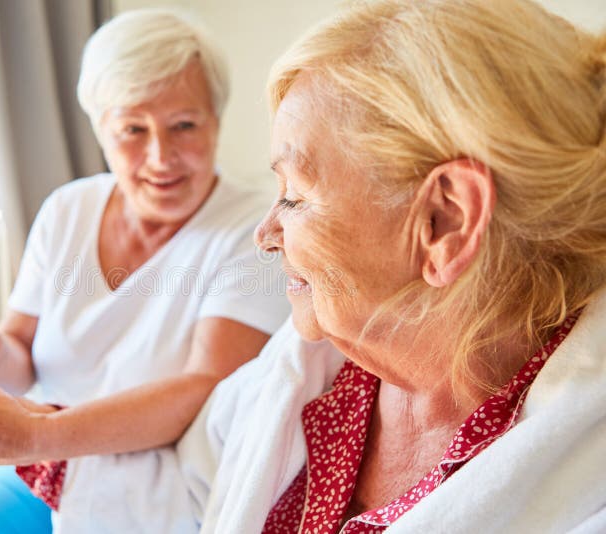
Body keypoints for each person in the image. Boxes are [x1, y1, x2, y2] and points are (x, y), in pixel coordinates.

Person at [0, 9, 289, 533]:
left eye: (183, 125)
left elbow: (203, 386)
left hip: (165, 491)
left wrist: (29, 435)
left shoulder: (254, 231)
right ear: (100, 128)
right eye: (132, 130)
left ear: (216, 118)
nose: (160, 156)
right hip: (47, 472)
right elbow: (20, 350)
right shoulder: (67, 209)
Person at [177, 0, 606, 532]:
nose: (264, 236)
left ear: (445, 222)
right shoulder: (312, 367)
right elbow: (175, 491)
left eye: (295, 197)